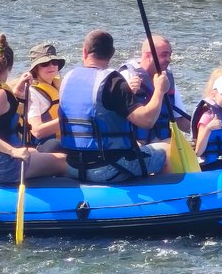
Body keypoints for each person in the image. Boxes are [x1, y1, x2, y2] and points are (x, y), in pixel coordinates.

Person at [58, 29, 172, 183]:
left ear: (84, 52)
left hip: (73, 165)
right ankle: (166, 196)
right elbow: (147, 120)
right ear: (111, 53)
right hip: (109, 168)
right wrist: (159, 90)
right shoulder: (113, 82)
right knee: (167, 150)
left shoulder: (68, 78)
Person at [0, 34, 68, 185]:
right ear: (10, 66)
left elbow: (1, 114)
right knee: (64, 161)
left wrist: (17, 92)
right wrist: (13, 151)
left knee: (34, 152)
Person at [119, 34, 189, 139]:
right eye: (164, 55)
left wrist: (202, 124)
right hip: (135, 142)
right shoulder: (126, 77)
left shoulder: (167, 81)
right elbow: (113, 117)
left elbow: (181, 121)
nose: (168, 59)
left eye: (169, 55)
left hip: (163, 141)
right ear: (148, 56)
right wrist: (129, 92)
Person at [25, 41, 65, 149]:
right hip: (43, 146)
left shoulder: (62, 86)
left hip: (64, 139)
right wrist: (68, 121)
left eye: (54, 62)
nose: (51, 66)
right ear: (35, 68)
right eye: (45, 64)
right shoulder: (32, 93)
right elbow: (37, 131)